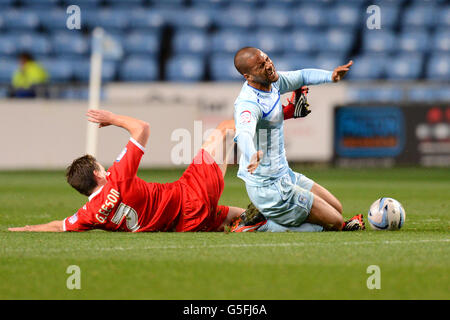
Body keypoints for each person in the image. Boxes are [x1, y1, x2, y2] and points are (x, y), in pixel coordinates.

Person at [8, 109, 244, 233]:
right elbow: (142, 128)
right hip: (189, 195)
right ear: (98, 175)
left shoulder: (90, 214)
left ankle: (263, 221)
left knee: (245, 217)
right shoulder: (118, 178)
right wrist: (113, 119)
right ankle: (261, 135)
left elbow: (60, 225)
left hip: (184, 224)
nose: (107, 168)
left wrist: (28, 229)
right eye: (102, 167)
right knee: (223, 128)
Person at [230, 47, 364, 233]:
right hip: (268, 187)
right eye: (261, 66)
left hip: (285, 175)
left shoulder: (273, 82)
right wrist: (251, 153)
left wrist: (331, 76)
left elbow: (302, 76)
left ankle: (264, 216)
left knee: (337, 209)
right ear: (248, 76)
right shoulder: (249, 103)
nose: (269, 66)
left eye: (267, 59)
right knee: (335, 223)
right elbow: (243, 132)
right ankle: (263, 225)